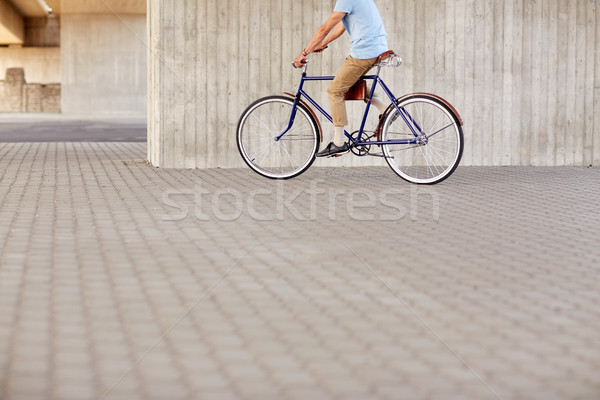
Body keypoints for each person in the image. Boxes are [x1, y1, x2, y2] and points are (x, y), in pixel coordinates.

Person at [293, 0, 390, 158]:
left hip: (365, 51)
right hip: (377, 48)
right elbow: (341, 26)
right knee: (351, 84)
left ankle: (339, 143)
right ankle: (385, 110)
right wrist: (323, 44)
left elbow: (325, 28)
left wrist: (304, 53)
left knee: (334, 91)